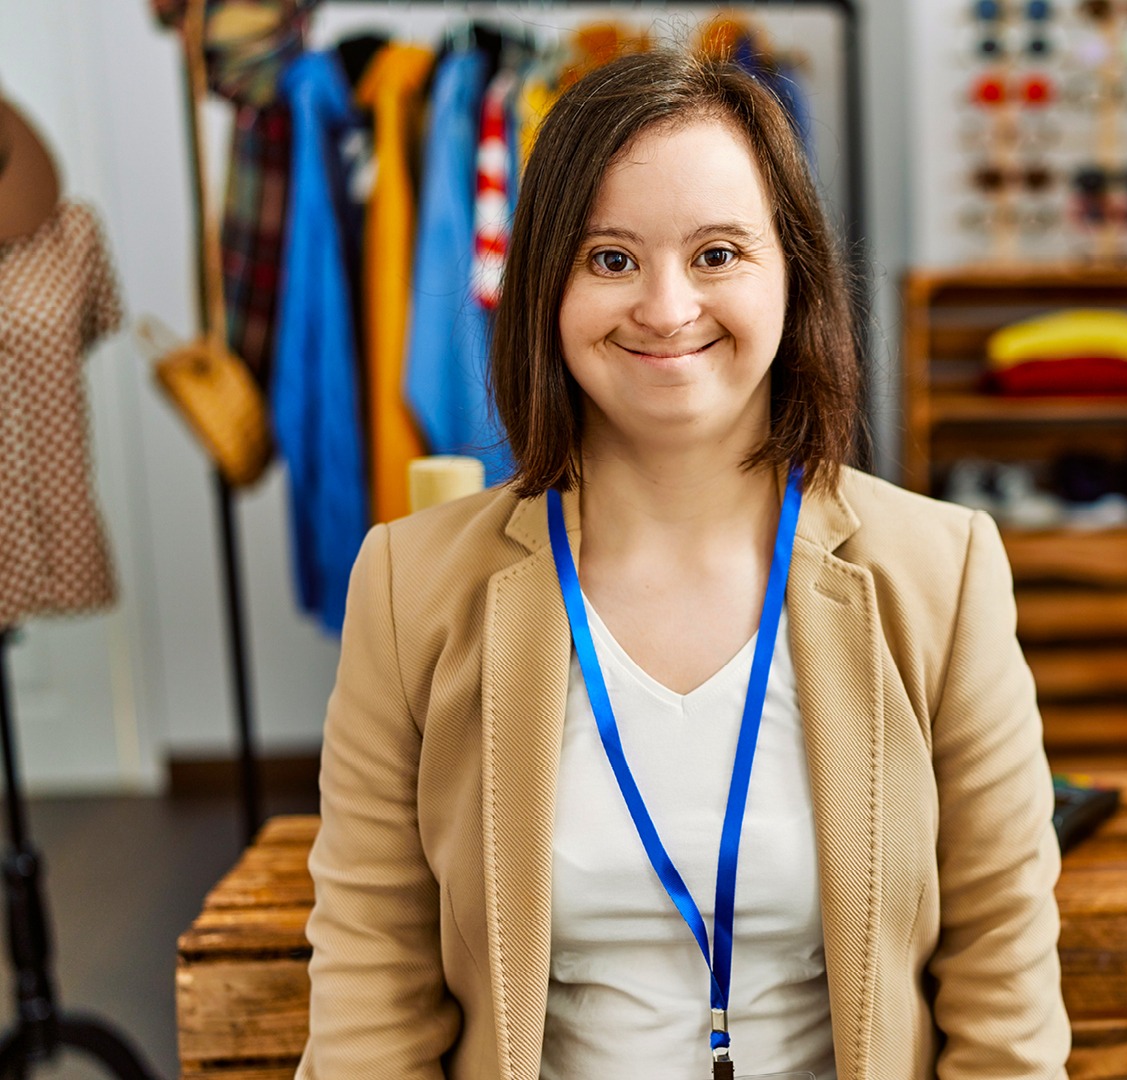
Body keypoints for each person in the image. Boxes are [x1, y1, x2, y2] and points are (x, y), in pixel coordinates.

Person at [297, 48, 1069, 1080]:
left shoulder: (942, 571)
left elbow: (1003, 986)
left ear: (792, 274)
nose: (666, 308)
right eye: (610, 258)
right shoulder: (408, 587)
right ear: (544, 286)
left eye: (717, 254)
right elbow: (370, 993)